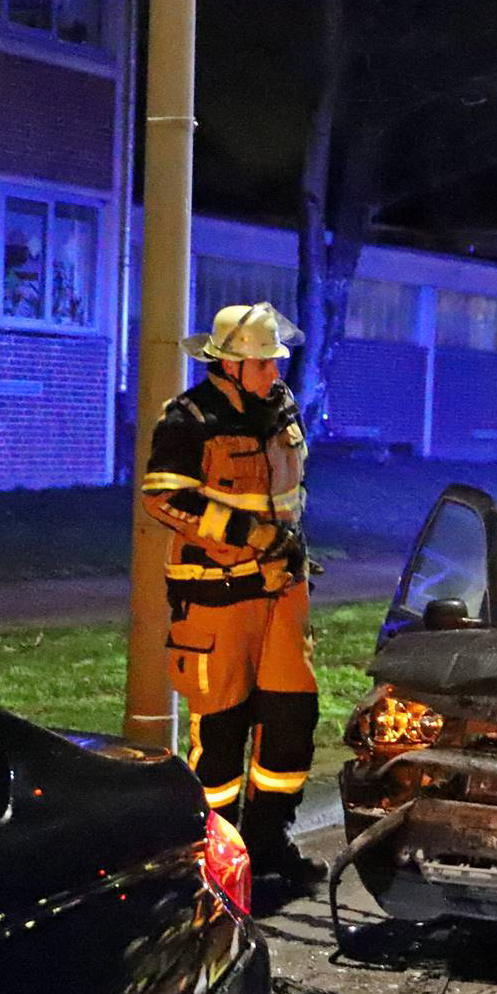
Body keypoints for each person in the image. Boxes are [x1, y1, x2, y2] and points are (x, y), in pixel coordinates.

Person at [140, 303, 325, 900]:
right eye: (265, 362)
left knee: (291, 724)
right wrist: (248, 537)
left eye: (277, 360)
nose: (276, 370)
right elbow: (164, 499)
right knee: (220, 734)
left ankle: (269, 848)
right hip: (218, 600)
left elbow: (288, 493)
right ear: (232, 365)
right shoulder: (190, 419)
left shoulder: (282, 409)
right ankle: (213, 864)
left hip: (282, 595)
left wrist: (285, 549)